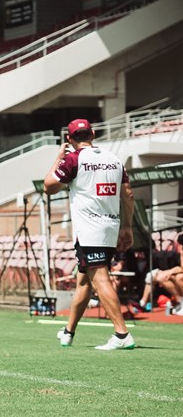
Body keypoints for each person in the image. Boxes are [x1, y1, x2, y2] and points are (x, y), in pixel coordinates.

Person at [44, 118, 136, 349]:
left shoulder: (73, 159)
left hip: (89, 230)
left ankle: (122, 335)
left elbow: (48, 186)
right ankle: (68, 332)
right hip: (111, 227)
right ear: (93, 134)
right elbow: (128, 195)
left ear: (69, 138)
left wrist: (59, 158)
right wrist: (127, 226)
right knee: (84, 282)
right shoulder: (114, 159)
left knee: (100, 279)